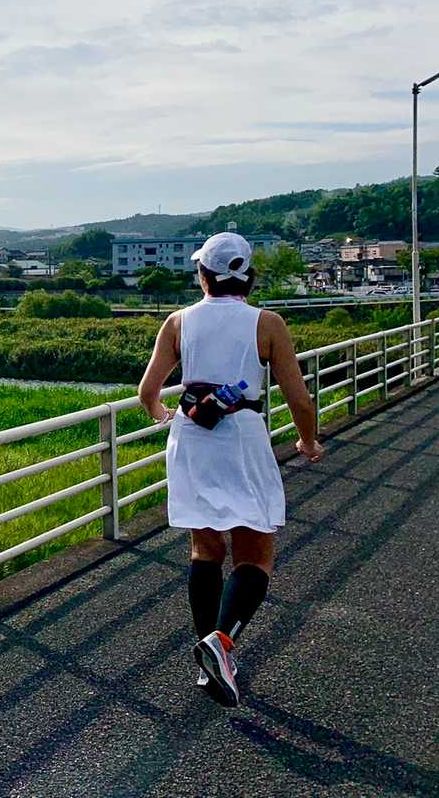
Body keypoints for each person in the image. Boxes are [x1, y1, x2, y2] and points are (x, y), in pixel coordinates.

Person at [138, 231, 321, 708]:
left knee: (205, 548)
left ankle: (209, 660)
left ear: (203, 276)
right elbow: (299, 399)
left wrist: (163, 415)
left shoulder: (178, 322)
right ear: (249, 277)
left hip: (191, 438)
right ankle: (221, 643)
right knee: (255, 554)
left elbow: (148, 392)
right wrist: (307, 440)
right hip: (242, 436)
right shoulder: (267, 323)